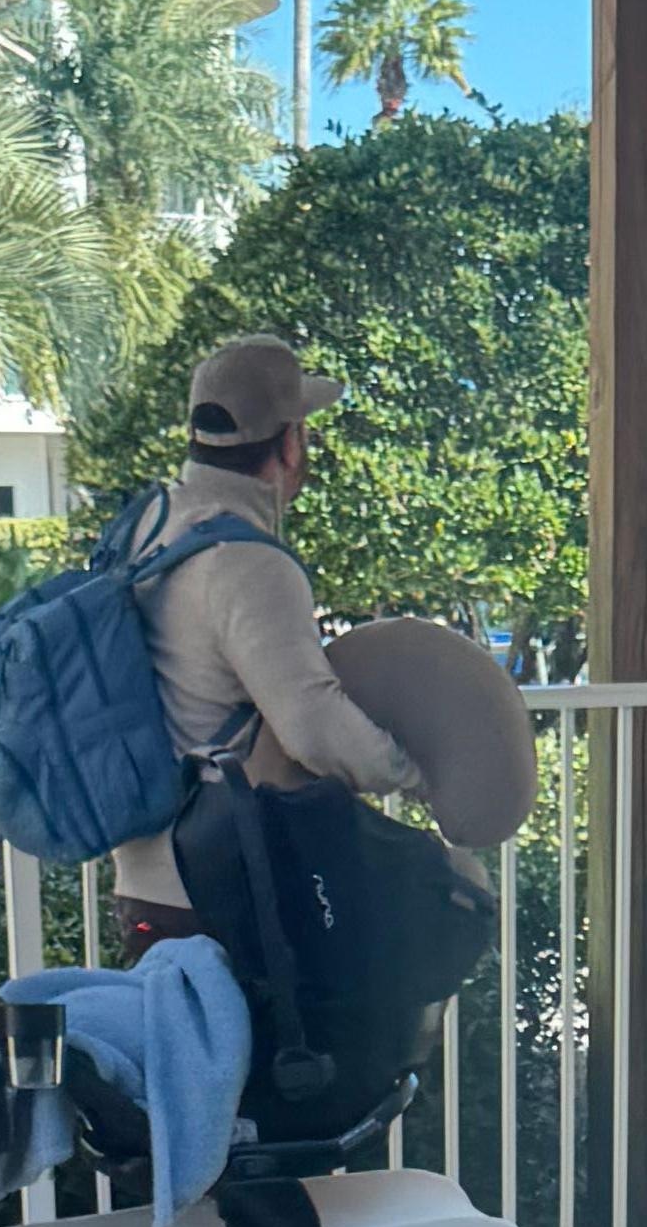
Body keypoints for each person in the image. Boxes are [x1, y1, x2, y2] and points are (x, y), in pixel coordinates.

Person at [113, 332, 421, 924]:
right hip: (219, 884)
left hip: (144, 874)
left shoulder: (150, 522)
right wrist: (410, 771)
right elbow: (314, 727)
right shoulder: (248, 563)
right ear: (290, 443)